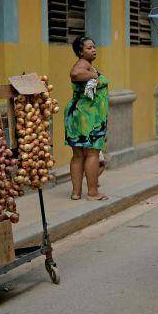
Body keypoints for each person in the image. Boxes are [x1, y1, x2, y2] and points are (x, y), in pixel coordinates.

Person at [64, 36, 110, 201]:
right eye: (89, 48)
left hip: (80, 115)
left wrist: (93, 74)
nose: (93, 50)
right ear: (80, 52)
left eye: (94, 46)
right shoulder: (82, 66)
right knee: (92, 153)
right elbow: (74, 74)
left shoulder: (87, 65)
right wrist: (94, 76)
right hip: (88, 118)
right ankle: (92, 192)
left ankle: (76, 192)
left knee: (78, 155)